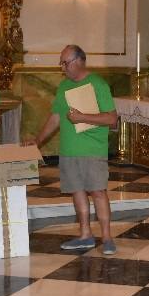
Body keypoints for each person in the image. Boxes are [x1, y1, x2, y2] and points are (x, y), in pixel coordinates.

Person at [29, 45, 119, 255]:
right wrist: (38, 140)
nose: (62, 68)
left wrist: (82, 118)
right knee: (77, 191)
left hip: (92, 149)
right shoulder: (63, 87)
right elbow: (56, 117)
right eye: (61, 63)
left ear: (79, 61)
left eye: (65, 62)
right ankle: (85, 235)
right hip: (69, 150)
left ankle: (106, 237)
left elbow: (112, 119)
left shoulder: (98, 84)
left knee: (97, 191)